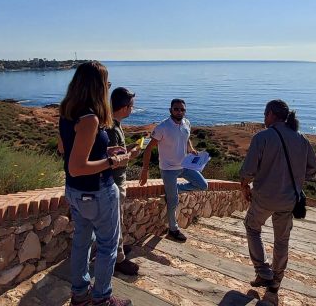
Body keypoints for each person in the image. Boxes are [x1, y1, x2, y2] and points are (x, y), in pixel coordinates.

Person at [59, 61, 133, 306]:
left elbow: (65, 149)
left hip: (74, 192)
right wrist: (113, 161)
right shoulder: (90, 118)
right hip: (97, 192)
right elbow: (77, 166)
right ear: (97, 85)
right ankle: (102, 298)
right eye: (106, 82)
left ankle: (79, 295)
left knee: (81, 242)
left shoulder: (68, 112)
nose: (108, 86)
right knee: (107, 246)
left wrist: (104, 149)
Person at [240, 99, 316, 293]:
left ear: (272, 115)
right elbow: (314, 168)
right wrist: (299, 179)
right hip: (289, 200)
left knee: (252, 227)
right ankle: (276, 280)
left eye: (265, 114)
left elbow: (248, 170)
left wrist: (244, 187)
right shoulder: (301, 139)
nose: (264, 118)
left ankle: (262, 270)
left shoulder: (262, 137)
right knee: (282, 240)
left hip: (264, 197)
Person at [140, 98, 208, 242]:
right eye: (176, 109)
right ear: (170, 110)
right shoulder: (162, 127)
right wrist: (145, 170)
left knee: (203, 185)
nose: (179, 112)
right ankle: (173, 229)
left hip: (184, 166)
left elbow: (186, 138)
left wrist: (191, 149)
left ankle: (173, 189)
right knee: (173, 201)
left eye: (182, 109)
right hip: (168, 169)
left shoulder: (186, 123)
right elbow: (148, 148)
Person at [106, 87, 141, 275]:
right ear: (124, 107)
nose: (133, 109)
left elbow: (117, 152)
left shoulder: (115, 125)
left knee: (115, 221)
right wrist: (133, 154)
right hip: (114, 182)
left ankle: (117, 250)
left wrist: (129, 149)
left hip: (117, 181)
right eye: (132, 106)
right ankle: (119, 260)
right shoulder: (112, 128)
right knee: (115, 222)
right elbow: (113, 161)